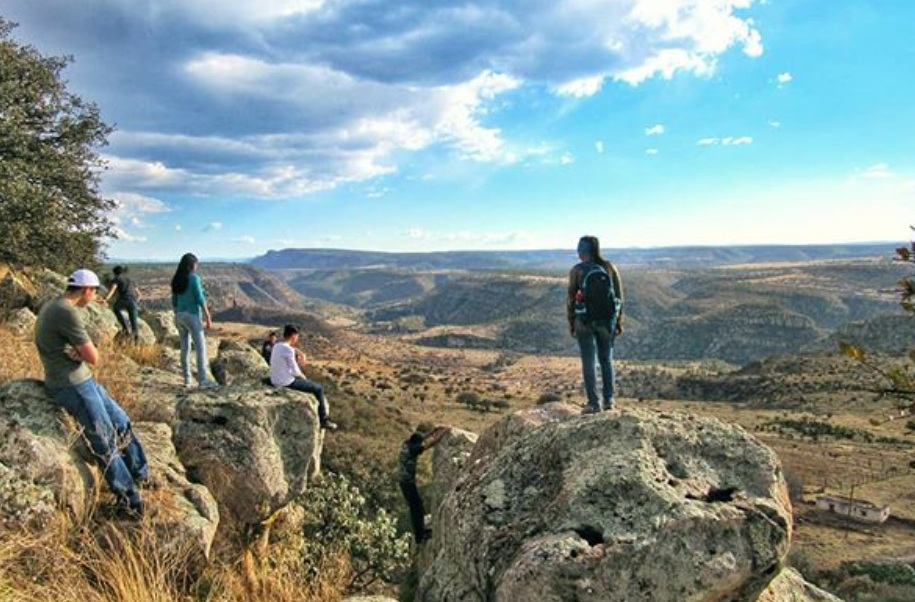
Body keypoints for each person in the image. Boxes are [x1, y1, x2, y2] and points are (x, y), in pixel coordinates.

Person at [34, 269, 148, 517]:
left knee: (121, 422)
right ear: (86, 290)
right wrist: (83, 352)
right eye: (95, 292)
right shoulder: (65, 312)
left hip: (82, 379)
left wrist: (80, 352)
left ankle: (141, 474)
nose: (96, 297)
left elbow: (82, 353)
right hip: (72, 384)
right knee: (103, 439)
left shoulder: (56, 305)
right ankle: (131, 501)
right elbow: (93, 356)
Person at [567, 235, 624, 413]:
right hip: (607, 320)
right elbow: (619, 297)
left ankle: (593, 403)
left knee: (588, 361)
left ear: (582, 250)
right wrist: (618, 321)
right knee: (606, 359)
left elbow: (571, 298)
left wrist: (571, 322)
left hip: (584, 320)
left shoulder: (577, 270)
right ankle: (609, 400)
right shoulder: (610, 267)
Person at [269, 324, 338, 430]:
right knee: (318, 389)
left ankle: (324, 420)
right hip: (285, 382)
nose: (297, 338)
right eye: (297, 336)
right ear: (293, 336)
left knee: (309, 384)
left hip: (274, 379)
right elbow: (295, 371)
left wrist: (299, 352)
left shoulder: (277, 345)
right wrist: (303, 376)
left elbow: (288, 350)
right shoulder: (289, 350)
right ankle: (324, 420)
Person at [170, 253, 218, 389]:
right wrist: (208, 316)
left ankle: (187, 380)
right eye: (196, 264)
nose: (197, 266)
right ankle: (203, 381)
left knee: (185, 348)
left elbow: (174, 301)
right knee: (200, 348)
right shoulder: (194, 278)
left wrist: (178, 314)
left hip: (179, 316)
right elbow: (200, 298)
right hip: (192, 315)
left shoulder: (176, 279)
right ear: (190, 266)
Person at [399, 425, 451, 544]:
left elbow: (421, 438)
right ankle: (420, 536)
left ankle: (421, 532)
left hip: (405, 483)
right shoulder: (413, 450)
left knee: (417, 507)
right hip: (408, 484)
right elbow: (429, 444)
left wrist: (434, 430)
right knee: (416, 509)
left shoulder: (406, 444)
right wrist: (443, 433)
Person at [104, 265, 140, 343]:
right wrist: (136, 302)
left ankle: (125, 327)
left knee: (115, 308)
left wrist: (105, 299)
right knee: (134, 323)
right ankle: (136, 343)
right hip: (133, 301)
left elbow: (112, 290)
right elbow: (139, 294)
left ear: (115, 273)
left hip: (123, 299)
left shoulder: (117, 278)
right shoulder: (131, 279)